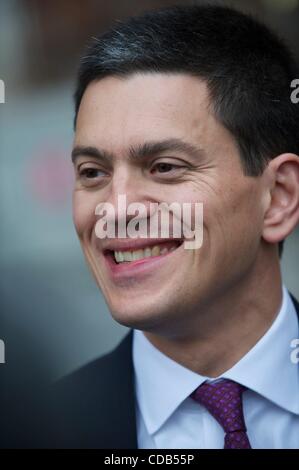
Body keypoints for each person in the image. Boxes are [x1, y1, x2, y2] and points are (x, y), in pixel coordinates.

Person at [51, 5, 299, 449]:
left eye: (164, 167)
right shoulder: (32, 429)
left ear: (278, 197)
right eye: (92, 172)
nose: (117, 208)